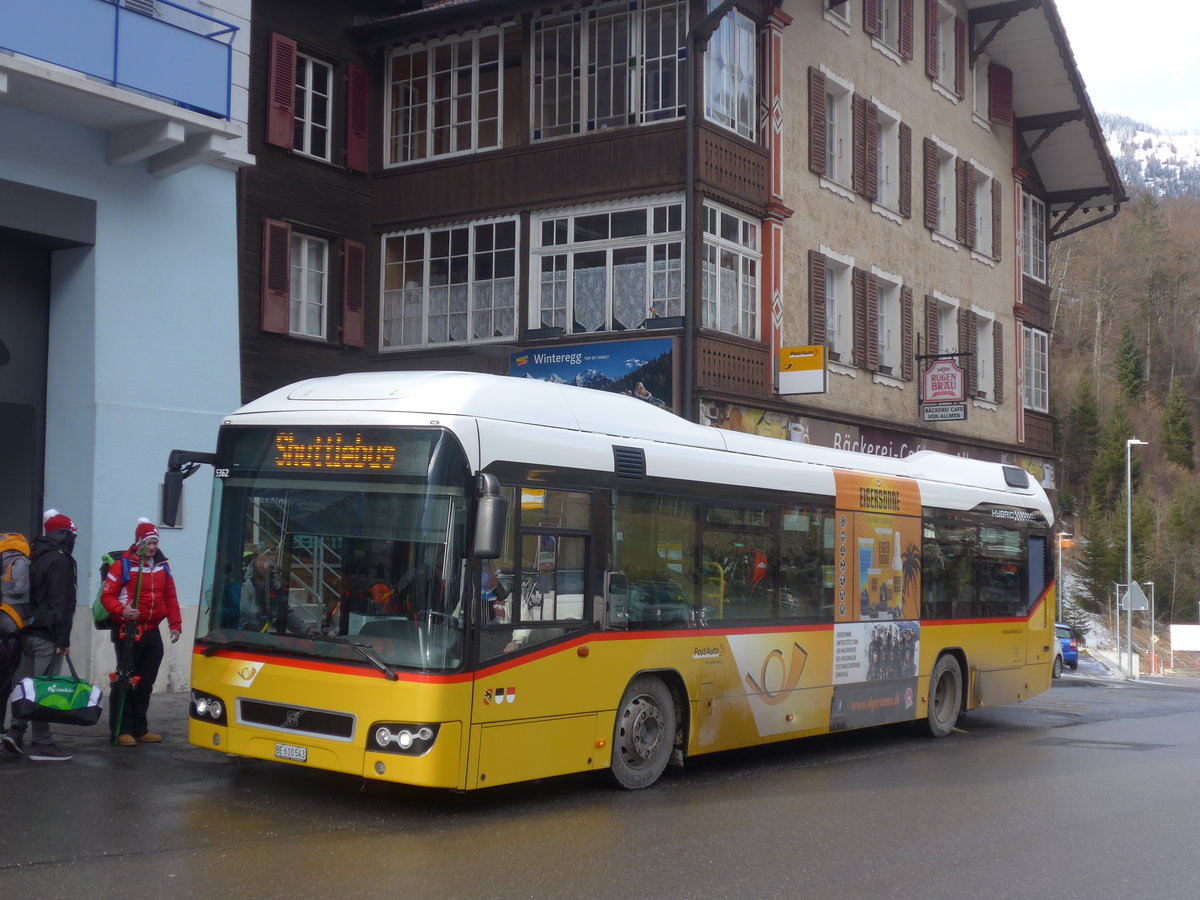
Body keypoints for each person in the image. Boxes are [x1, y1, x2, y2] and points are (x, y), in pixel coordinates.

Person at [3, 510, 79, 761]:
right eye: (73, 535)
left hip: (26, 632)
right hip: (48, 634)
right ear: (65, 535)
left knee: (27, 687)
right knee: (45, 689)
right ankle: (42, 744)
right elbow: (62, 603)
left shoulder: (34, 554)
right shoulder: (60, 559)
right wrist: (63, 640)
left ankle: (15, 732)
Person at [100, 518, 182, 748]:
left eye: (155, 542)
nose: (153, 546)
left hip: (152, 630)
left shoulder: (163, 565)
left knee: (145, 683)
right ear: (139, 542)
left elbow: (170, 597)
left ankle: (140, 728)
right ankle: (121, 730)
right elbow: (107, 597)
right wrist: (123, 610)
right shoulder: (123, 565)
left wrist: (175, 624)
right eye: (149, 542)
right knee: (126, 681)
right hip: (128, 630)